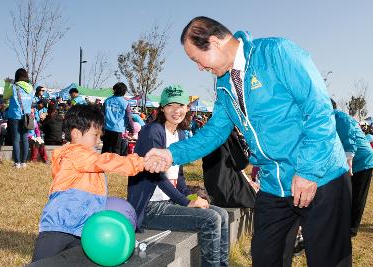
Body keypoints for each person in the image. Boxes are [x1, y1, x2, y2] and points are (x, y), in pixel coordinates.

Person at [144, 17, 351, 266]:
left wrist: (308, 171)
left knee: (328, 259)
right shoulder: (223, 85)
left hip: (320, 176)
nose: (198, 67)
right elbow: (214, 132)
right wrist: (170, 154)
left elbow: (318, 110)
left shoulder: (276, 53)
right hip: (274, 186)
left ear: (214, 42)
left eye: (196, 58)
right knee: (264, 257)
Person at [128, 85, 229, 267]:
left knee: (222, 213)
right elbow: (157, 176)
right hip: (151, 208)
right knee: (211, 219)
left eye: (181, 105)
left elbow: (179, 176)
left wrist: (190, 196)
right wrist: (186, 202)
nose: (176, 110)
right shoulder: (153, 131)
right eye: (171, 105)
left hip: (170, 202)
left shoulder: (180, 134)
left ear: (187, 108)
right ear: (162, 108)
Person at [31, 104, 146, 262]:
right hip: (59, 227)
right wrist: (140, 162)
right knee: (41, 263)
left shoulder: (85, 157)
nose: (99, 141)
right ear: (76, 134)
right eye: (95, 135)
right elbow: (106, 161)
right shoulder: (75, 154)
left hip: (81, 229)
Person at [332, 99, 373, 237]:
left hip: (362, 160)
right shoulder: (328, 118)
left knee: (357, 196)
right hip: (350, 160)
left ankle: (352, 229)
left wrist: (348, 162)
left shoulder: (339, 116)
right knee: (346, 194)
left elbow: (349, 138)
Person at [3, 68, 34, 168]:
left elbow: (5, 96)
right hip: (27, 116)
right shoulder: (31, 88)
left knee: (16, 139)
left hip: (15, 116)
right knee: (25, 139)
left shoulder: (14, 87)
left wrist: (7, 83)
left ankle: (17, 163)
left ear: (17, 76)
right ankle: (24, 162)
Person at [102, 82, 134, 154]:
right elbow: (129, 117)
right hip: (118, 129)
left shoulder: (107, 101)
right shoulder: (125, 102)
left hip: (107, 128)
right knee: (116, 150)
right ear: (124, 92)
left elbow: (102, 114)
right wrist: (132, 128)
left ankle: (103, 164)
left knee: (106, 149)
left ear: (114, 90)